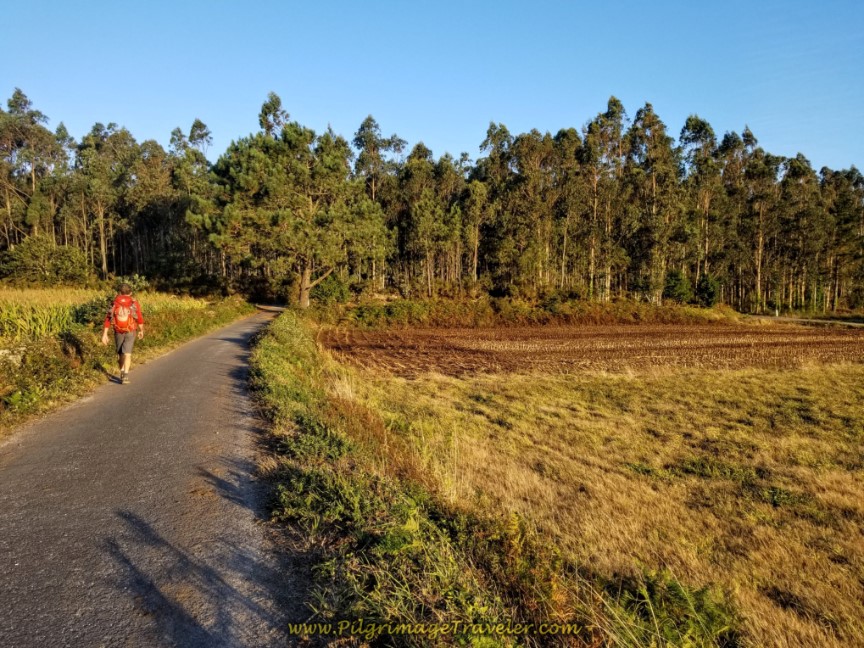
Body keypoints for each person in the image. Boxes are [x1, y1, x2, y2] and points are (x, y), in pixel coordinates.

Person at [101, 283, 145, 384]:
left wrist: (105, 334)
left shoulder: (114, 302)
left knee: (120, 354)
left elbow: (108, 318)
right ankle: (125, 375)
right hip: (130, 330)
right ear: (131, 292)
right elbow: (139, 317)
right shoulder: (134, 303)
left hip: (118, 330)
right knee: (127, 354)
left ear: (119, 292)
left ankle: (121, 372)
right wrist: (142, 330)